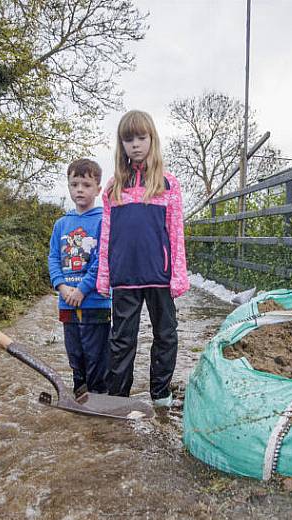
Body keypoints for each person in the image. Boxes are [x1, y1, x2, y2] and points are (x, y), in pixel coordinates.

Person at [97, 110, 188, 407]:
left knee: (165, 335)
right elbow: (107, 234)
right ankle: (117, 399)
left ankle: (160, 395)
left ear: (152, 140)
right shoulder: (113, 188)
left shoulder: (168, 184)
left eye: (141, 137)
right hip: (124, 277)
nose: (135, 144)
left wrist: (178, 275)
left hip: (159, 276)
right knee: (122, 340)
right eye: (128, 139)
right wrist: (104, 275)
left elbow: (176, 233)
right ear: (121, 144)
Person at [48, 159, 111, 394]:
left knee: (97, 356)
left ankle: (99, 398)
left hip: (96, 301)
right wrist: (61, 286)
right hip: (67, 301)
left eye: (86, 184)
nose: (80, 190)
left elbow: (103, 260)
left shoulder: (104, 221)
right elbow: (53, 257)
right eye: (74, 184)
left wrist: (83, 289)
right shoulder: (61, 224)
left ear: (98, 189)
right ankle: (80, 395)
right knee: (75, 355)